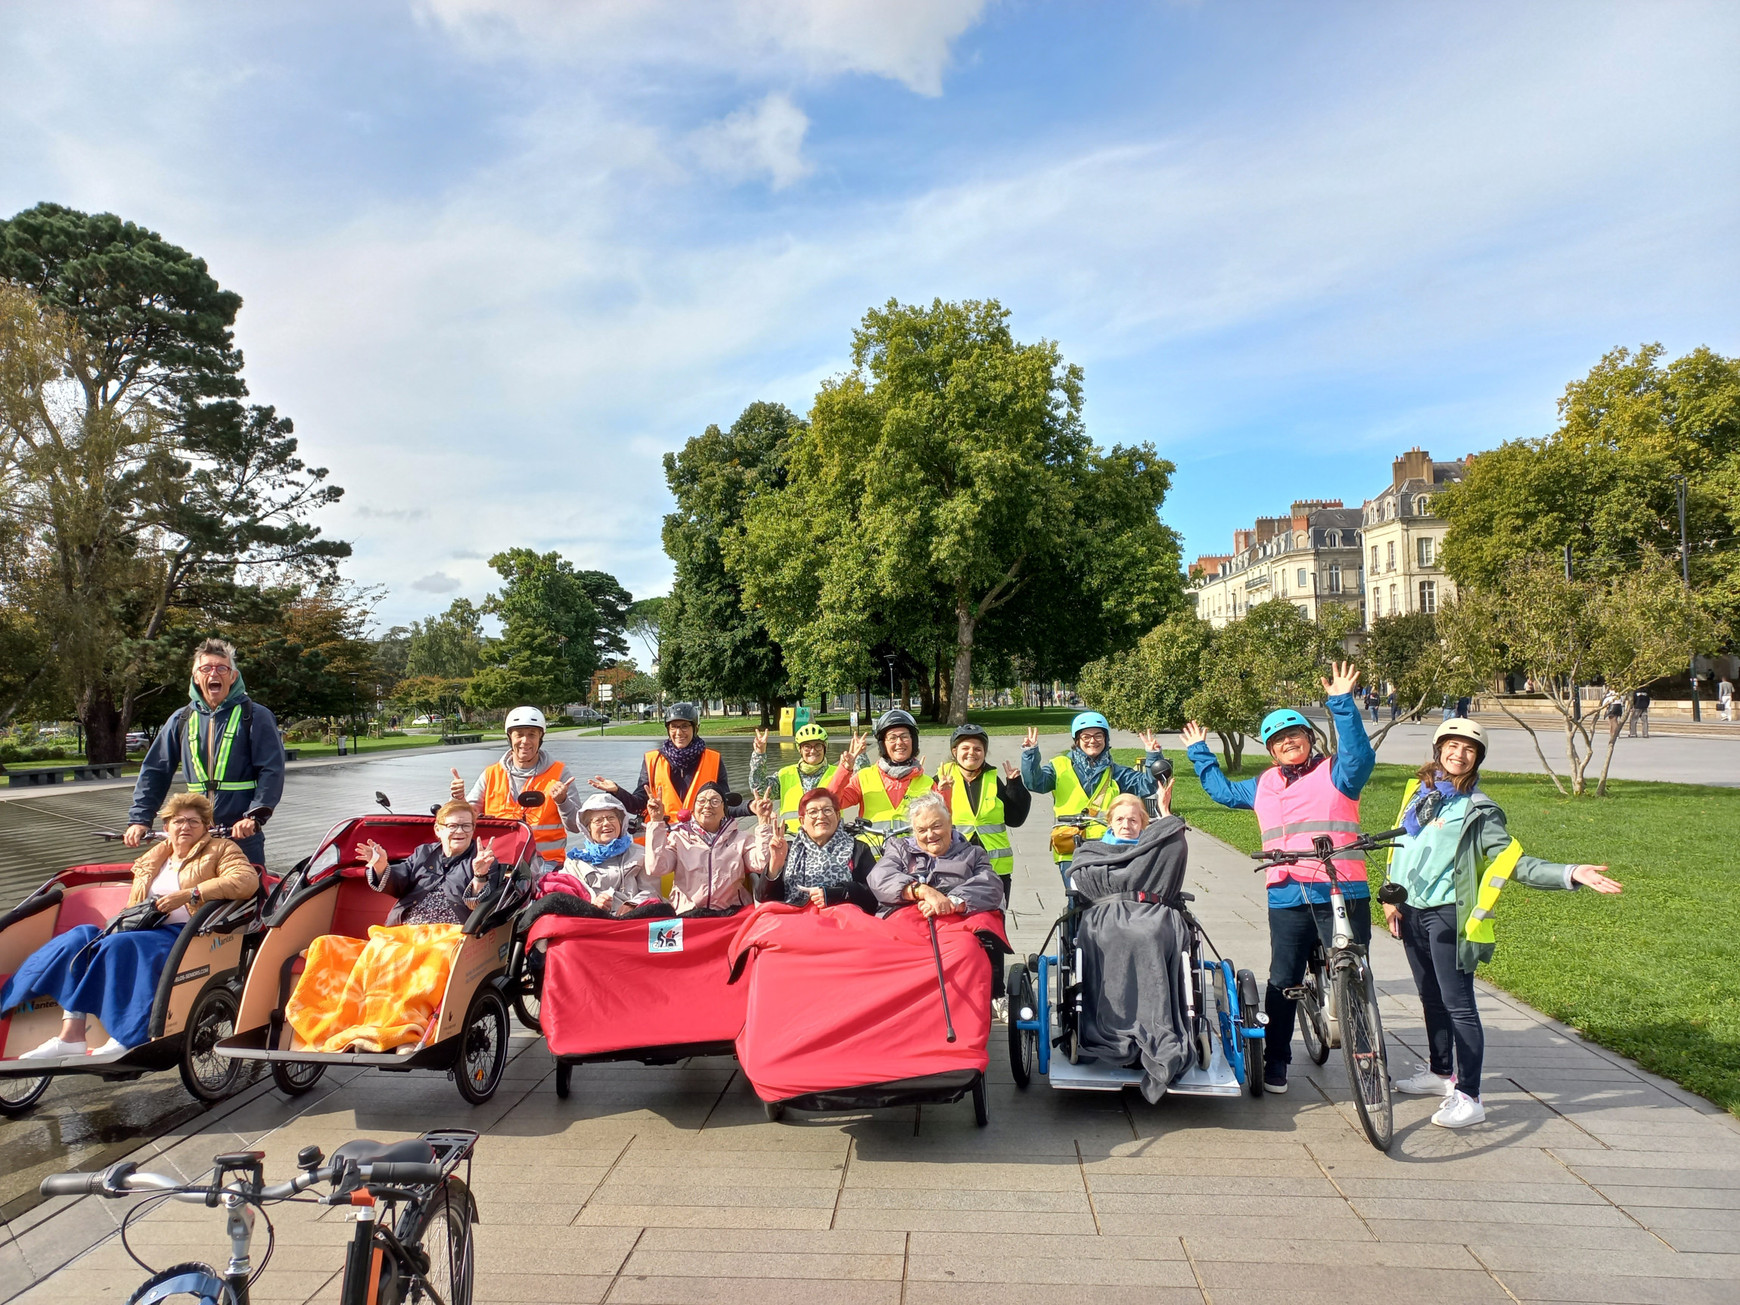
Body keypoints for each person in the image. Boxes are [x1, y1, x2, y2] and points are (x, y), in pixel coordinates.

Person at [1381, 719, 1622, 1128]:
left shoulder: (1478, 809)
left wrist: (1570, 872)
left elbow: (1514, 862)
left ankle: (1470, 1097)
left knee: (1459, 1006)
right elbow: (1402, 848)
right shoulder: (1418, 794)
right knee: (1430, 998)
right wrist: (1391, 898)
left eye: (1468, 750)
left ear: (1477, 759)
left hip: (1448, 914)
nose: (1458, 754)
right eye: (1452, 745)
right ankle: (1441, 1073)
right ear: (1438, 748)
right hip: (1412, 912)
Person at [1179, 661, 1374, 1095]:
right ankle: (1278, 1058)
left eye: (1296, 735)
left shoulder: (1338, 772)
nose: (1289, 742)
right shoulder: (1264, 783)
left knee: (1356, 970)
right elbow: (1224, 793)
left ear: (1310, 739)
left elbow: (1360, 755)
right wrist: (1200, 752)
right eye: (1279, 739)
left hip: (1340, 885)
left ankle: (1367, 1053)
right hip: (1287, 891)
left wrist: (1342, 703)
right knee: (1283, 978)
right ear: (1271, 751)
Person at [5, 793, 258, 1058]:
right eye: (179, 821)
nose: (185, 827)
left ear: (207, 826)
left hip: (187, 933)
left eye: (194, 822)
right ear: (167, 826)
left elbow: (245, 881)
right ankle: (71, 1036)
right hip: (144, 928)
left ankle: (125, 1035)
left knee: (118, 944)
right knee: (79, 940)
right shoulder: (155, 856)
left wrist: (191, 894)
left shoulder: (222, 849)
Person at [285, 799, 495, 1054]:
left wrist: (480, 875)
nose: (460, 831)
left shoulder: (482, 859)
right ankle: (360, 1027)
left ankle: (404, 1031)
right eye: (452, 826)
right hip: (403, 930)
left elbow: (479, 907)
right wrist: (381, 865)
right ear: (438, 829)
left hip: (449, 933)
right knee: (326, 945)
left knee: (419, 956)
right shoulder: (423, 854)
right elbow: (398, 881)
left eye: (466, 826)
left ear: (474, 830)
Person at [126, 638, 285, 866]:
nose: (214, 673)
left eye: (222, 668)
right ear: (196, 677)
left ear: (233, 677)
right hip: (194, 832)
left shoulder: (256, 716)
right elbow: (155, 771)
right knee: (194, 896)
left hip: (240, 833)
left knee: (247, 894)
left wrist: (253, 817)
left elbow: (272, 770)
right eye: (206, 668)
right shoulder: (181, 719)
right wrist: (140, 819)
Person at [1020, 711, 1166, 880]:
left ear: (1106, 739)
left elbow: (1146, 785)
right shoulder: (1059, 766)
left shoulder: (1116, 772)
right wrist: (1030, 753)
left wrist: (1153, 756)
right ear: (1077, 740)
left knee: (1108, 897)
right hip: (1070, 845)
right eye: (1086, 736)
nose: (1092, 741)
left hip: (1109, 845)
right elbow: (1035, 783)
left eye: (1098, 736)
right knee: (1076, 898)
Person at [450, 706, 578, 868]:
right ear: (509, 737)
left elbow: (576, 826)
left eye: (532, 734)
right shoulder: (491, 774)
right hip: (498, 860)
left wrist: (563, 801)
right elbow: (465, 818)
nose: (525, 741)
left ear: (541, 738)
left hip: (547, 862)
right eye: (519, 735)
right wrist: (458, 798)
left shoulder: (559, 773)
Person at [591, 702, 737, 823]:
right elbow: (638, 805)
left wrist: (751, 807)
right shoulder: (652, 760)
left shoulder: (713, 759)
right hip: (663, 837)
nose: (679, 733)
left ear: (695, 728)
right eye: (673, 727)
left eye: (685, 726)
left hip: (700, 837)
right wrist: (617, 791)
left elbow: (725, 803)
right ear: (668, 730)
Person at [934, 723, 1031, 904]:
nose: (972, 753)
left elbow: (1015, 819)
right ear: (954, 751)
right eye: (965, 748)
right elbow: (927, 821)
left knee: (993, 922)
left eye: (978, 749)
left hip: (994, 868)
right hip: (953, 868)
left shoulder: (993, 779)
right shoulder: (941, 778)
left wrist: (1014, 786)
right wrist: (940, 792)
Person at [867, 792, 1005, 918]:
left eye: (936, 826)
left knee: (968, 946)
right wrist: (921, 891)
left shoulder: (973, 853)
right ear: (914, 832)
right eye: (922, 830)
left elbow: (992, 885)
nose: (930, 835)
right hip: (904, 919)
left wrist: (953, 902)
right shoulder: (899, 849)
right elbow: (879, 877)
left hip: (956, 922)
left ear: (950, 823)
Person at [753, 785, 879, 912]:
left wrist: (838, 893)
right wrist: (775, 864)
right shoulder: (786, 850)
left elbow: (874, 898)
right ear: (802, 821)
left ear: (837, 815)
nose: (821, 816)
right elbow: (765, 902)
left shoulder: (857, 849)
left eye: (827, 810)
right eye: (813, 812)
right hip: (794, 921)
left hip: (843, 923)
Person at [646, 782, 758, 913]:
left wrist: (764, 822)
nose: (707, 806)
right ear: (694, 809)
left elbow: (761, 864)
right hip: (688, 913)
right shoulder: (678, 838)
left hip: (731, 912)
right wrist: (656, 821)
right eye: (701, 801)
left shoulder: (741, 839)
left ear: (724, 810)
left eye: (715, 801)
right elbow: (656, 867)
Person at [828, 709, 933, 840]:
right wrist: (845, 769)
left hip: (914, 856)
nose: (899, 742)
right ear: (883, 744)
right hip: (872, 856)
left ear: (913, 740)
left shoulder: (928, 784)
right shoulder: (864, 777)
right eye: (892, 738)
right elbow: (831, 803)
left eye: (904, 736)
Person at [561, 793, 661, 915]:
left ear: (621, 823)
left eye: (611, 818)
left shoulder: (642, 854)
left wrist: (632, 905)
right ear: (588, 829)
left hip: (634, 919)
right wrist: (593, 902)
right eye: (598, 821)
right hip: (592, 920)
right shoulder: (575, 862)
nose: (606, 823)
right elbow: (569, 896)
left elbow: (652, 891)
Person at [749, 722, 837, 832]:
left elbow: (863, 783)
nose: (813, 751)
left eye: (818, 745)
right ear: (800, 749)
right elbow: (759, 789)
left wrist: (859, 756)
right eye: (807, 746)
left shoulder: (838, 773)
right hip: (793, 839)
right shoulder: (786, 774)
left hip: (829, 838)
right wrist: (759, 755)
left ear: (825, 748)